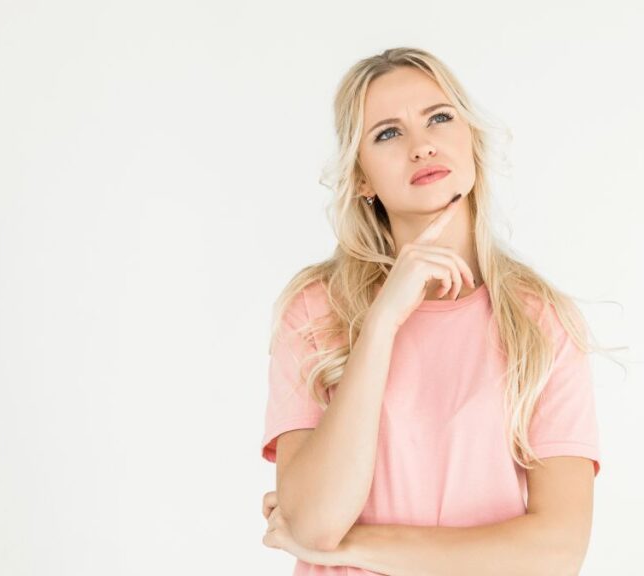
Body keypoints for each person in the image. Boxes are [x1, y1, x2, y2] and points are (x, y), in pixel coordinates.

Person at [259, 47, 617, 576]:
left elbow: (556, 551)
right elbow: (312, 524)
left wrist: (351, 547)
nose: (421, 146)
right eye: (387, 133)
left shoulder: (541, 322)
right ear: (361, 179)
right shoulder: (315, 310)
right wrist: (382, 322)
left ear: (470, 139)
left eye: (439, 119)